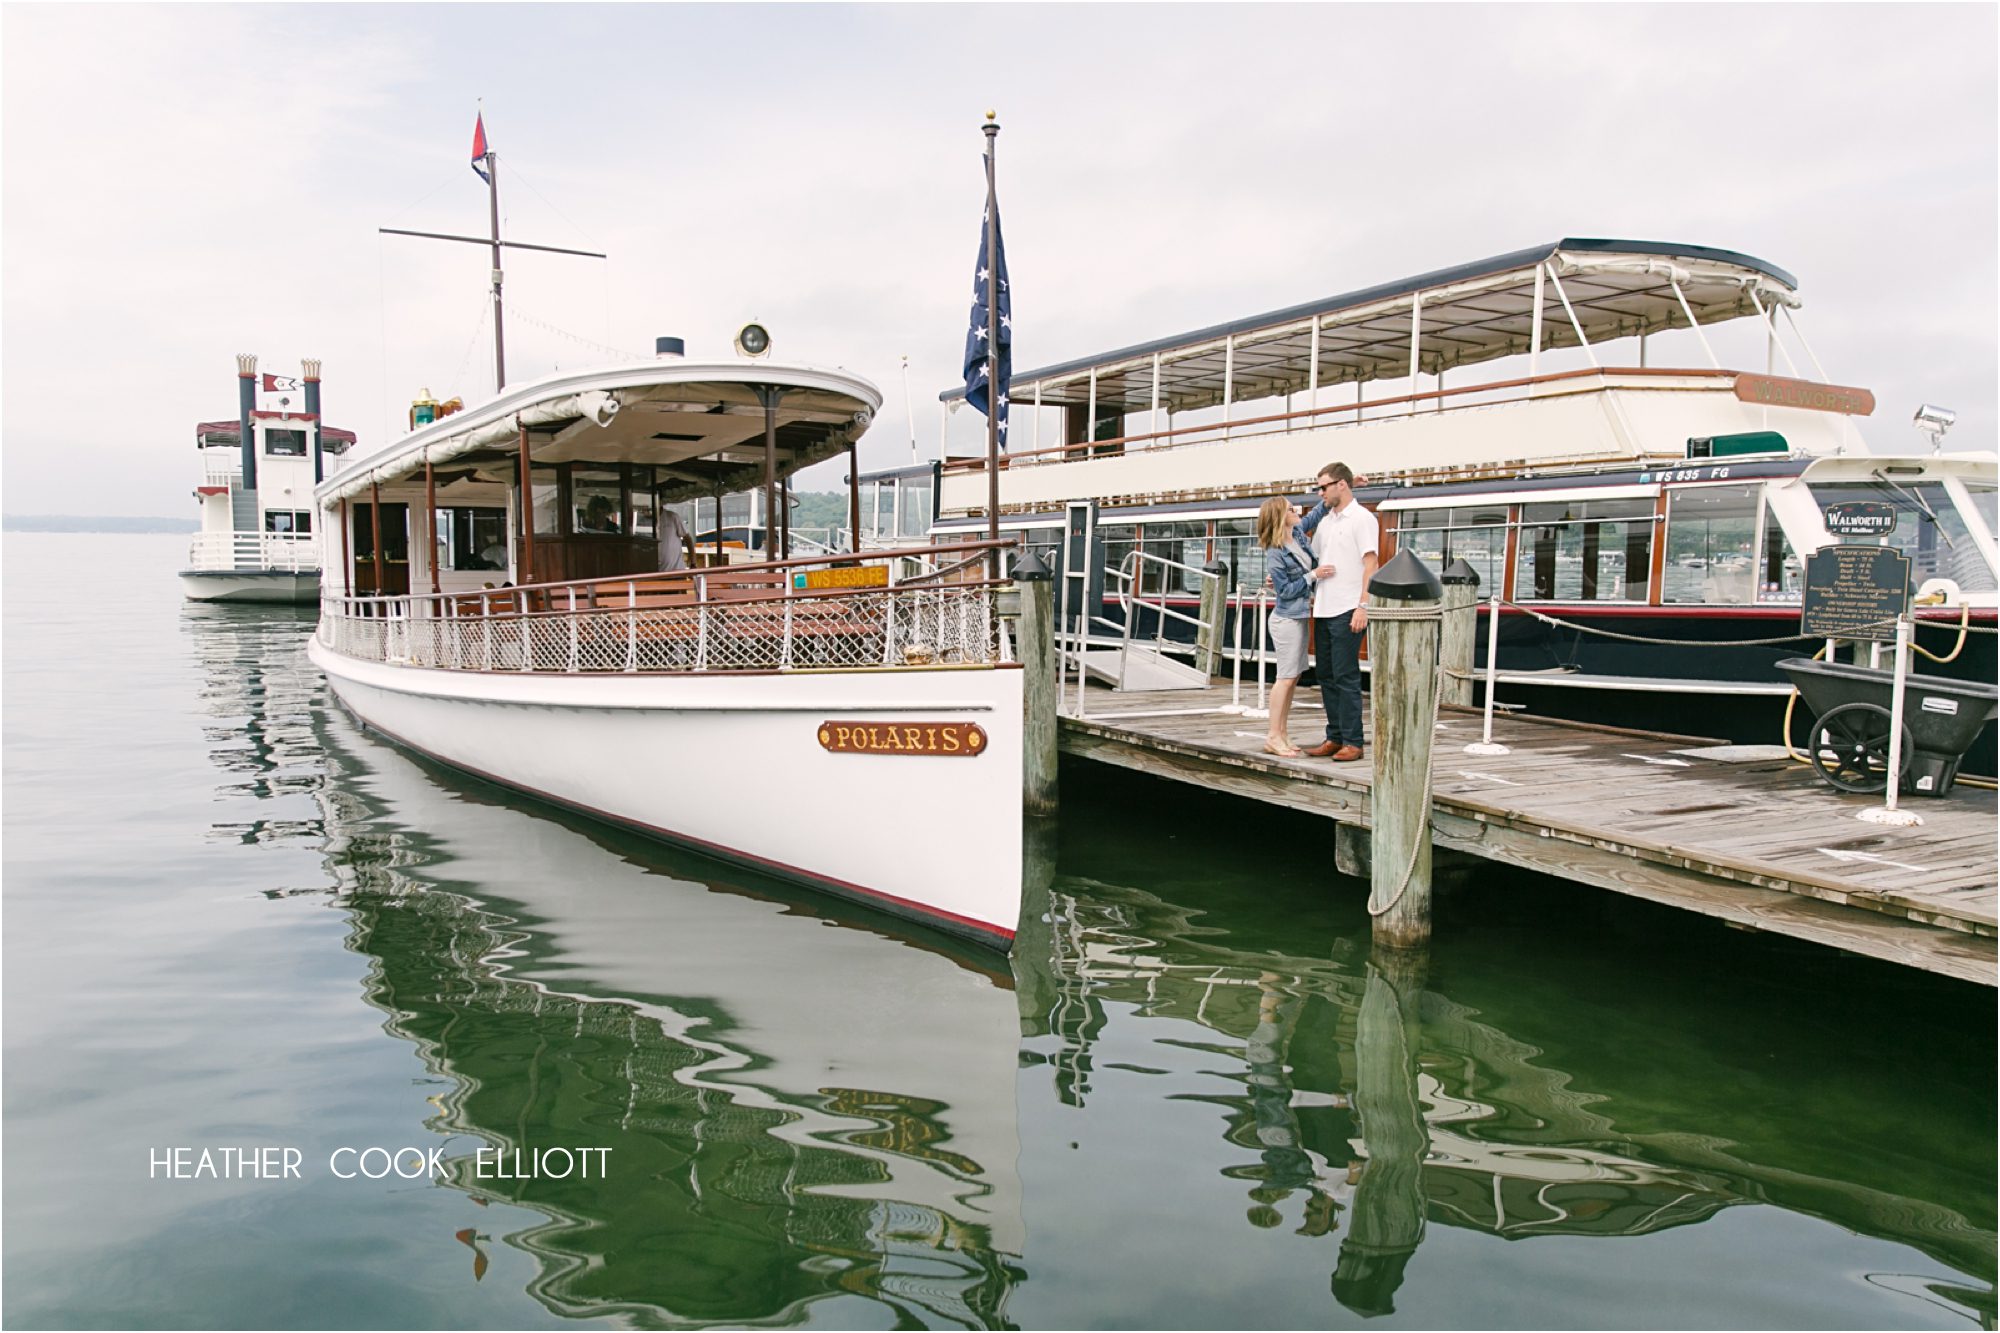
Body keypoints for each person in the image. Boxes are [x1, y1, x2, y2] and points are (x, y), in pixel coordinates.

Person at [1300, 462, 1378, 761]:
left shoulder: (1362, 518)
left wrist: (1363, 605)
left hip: (1348, 607)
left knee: (1346, 675)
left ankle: (1353, 742)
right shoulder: (1326, 522)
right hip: (1323, 607)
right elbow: (1314, 558)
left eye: (1323, 487)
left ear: (1340, 485)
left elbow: (1371, 564)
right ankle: (1334, 736)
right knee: (1327, 674)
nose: (1320, 492)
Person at [1254, 496, 1320, 758]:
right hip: (1286, 620)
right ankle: (1273, 735)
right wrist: (1313, 576)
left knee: (1293, 677)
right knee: (1285, 678)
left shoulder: (1298, 536)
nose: (1298, 512)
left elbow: (1316, 514)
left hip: (1299, 617)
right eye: (1292, 509)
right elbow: (1285, 591)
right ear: (1281, 516)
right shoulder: (1275, 551)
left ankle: (1282, 733)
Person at [657, 505, 697, 572]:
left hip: (676, 570)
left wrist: (693, 563)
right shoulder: (646, 521)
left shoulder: (673, 517)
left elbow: (687, 538)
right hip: (655, 573)